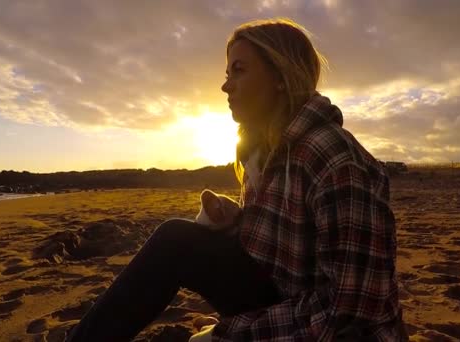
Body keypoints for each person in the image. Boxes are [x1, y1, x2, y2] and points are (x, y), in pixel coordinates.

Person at [66, 17, 407, 341]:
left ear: (280, 76)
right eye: (227, 72)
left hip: (338, 330)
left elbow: (351, 316)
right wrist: (237, 224)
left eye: (239, 71)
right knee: (178, 241)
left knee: (174, 240)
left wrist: (229, 334)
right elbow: (287, 255)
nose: (225, 85)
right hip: (286, 301)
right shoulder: (265, 150)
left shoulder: (335, 161)